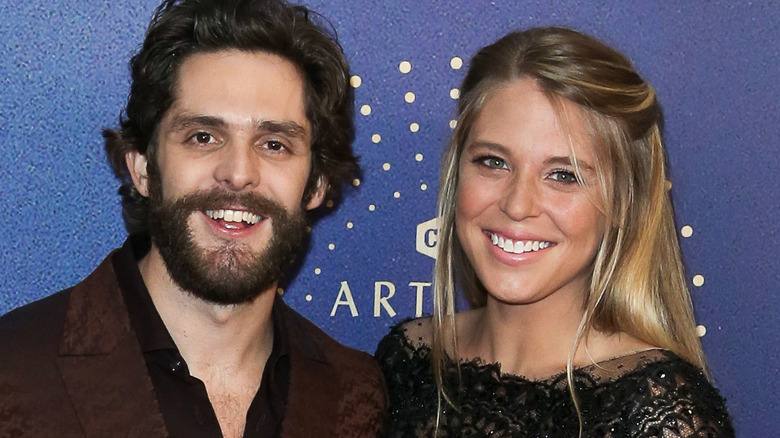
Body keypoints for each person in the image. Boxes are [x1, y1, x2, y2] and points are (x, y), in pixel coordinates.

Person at [0, 0, 386, 436]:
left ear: (316, 184)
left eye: (274, 144)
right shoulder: (13, 373)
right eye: (203, 137)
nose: (239, 173)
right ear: (144, 168)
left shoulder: (355, 393)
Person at [376, 27, 734, 437]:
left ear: (623, 203)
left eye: (563, 175)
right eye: (493, 162)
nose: (517, 204)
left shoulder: (658, 412)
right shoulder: (408, 359)